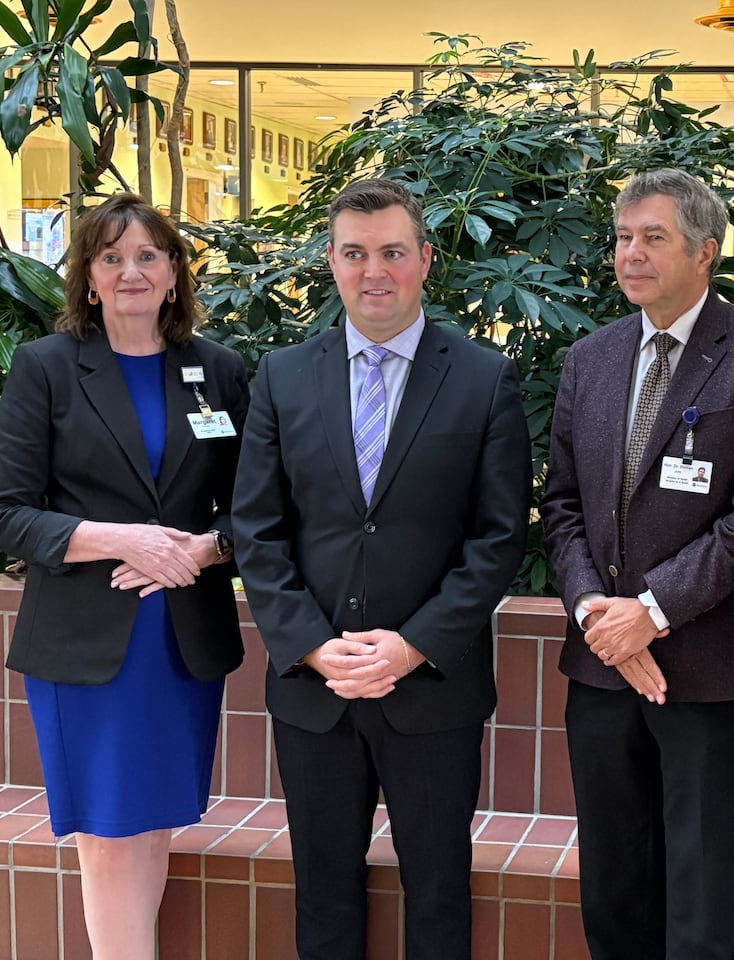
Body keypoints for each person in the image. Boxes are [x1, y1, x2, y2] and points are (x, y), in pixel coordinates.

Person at [232, 178, 531, 960]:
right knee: (323, 896)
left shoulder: (482, 379)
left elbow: (496, 540)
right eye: (356, 253)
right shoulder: (282, 376)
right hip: (314, 687)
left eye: (393, 252)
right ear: (330, 260)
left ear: (425, 260)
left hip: (431, 688)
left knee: (438, 895)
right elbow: (258, 530)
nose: (375, 272)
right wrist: (308, 644)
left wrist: (411, 645)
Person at [540, 168, 734, 960]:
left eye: (652, 237)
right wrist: (597, 612)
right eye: (623, 237)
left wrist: (649, 614)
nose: (631, 254)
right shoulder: (589, 360)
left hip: (709, 667)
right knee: (614, 880)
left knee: (706, 886)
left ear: (706, 251)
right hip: (602, 665)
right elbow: (560, 507)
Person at [0, 193, 249, 960]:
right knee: (108, 830)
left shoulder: (216, 370)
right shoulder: (46, 368)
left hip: (182, 641)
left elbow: (258, 508)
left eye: (148, 256)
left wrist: (202, 552)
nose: (131, 271)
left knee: (154, 823)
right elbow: (2, 513)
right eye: (111, 257)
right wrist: (111, 537)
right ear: (88, 278)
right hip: (89, 646)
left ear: (173, 275)